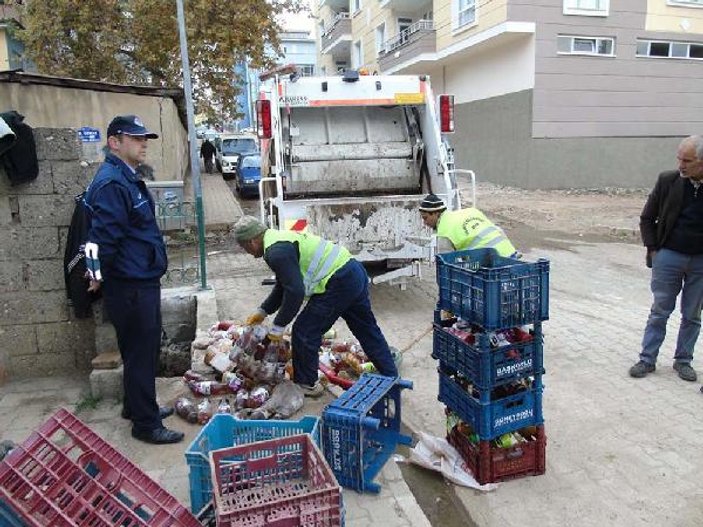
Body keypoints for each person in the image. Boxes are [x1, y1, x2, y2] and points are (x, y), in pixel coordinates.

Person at [83, 115, 183, 444]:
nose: (144, 144)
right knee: (142, 352)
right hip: (131, 284)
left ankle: (135, 406)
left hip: (138, 279)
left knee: (137, 351)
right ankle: (146, 424)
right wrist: (97, 276)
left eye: (145, 139)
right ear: (115, 142)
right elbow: (103, 237)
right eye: (136, 138)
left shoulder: (124, 177)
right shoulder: (113, 182)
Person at [233, 216, 398, 396]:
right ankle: (391, 377)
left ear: (252, 240)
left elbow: (295, 291)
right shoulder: (278, 240)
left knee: (304, 331)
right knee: (366, 330)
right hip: (352, 272)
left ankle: (307, 384)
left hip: (338, 281)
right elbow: (284, 285)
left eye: (244, 247)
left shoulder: (275, 252)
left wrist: (279, 325)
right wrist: (263, 311)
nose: (246, 251)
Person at [629, 135, 703, 383]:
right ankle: (647, 359)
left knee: (692, 315)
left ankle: (683, 361)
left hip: (700, 262)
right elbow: (647, 218)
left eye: (688, 161)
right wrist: (653, 250)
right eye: (679, 158)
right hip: (668, 257)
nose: (681, 165)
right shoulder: (667, 180)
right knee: (660, 310)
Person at [418, 193, 518, 257]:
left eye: (425, 218)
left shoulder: (444, 231)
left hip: (494, 263)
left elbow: (447, 264)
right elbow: (498, 230)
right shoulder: (471, 211)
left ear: (436, 213)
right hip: (511, 254)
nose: (425, 223)